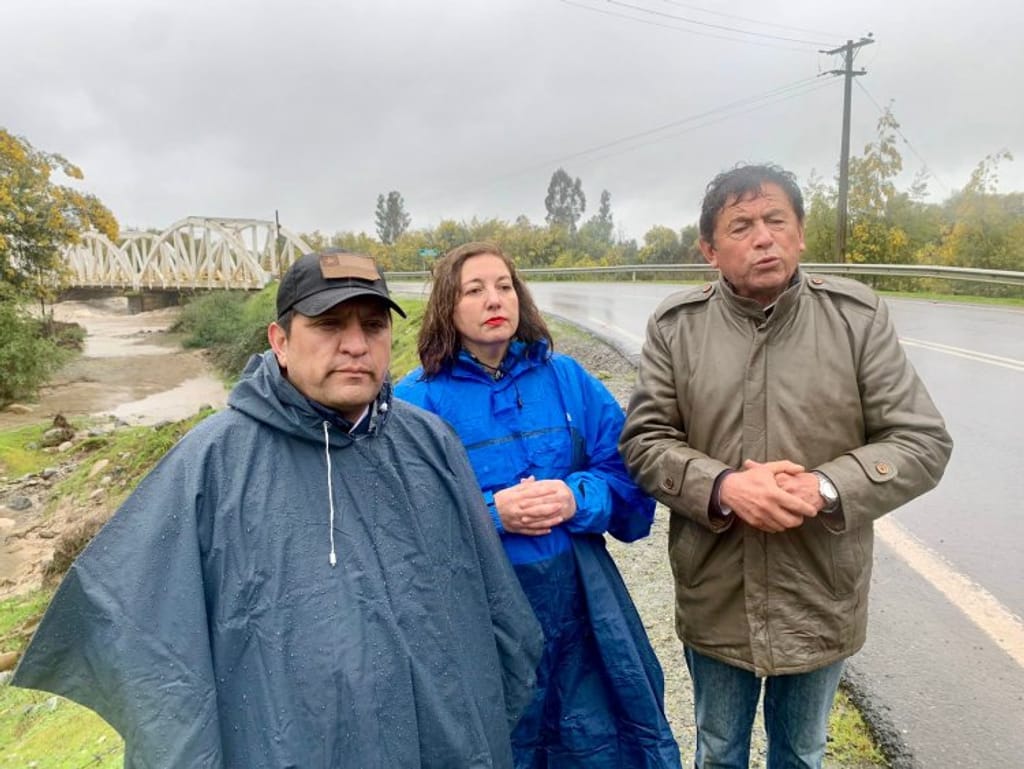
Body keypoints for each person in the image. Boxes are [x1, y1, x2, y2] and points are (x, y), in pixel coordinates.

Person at [13, 249, 545, 769]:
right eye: (330, 325)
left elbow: (499, 615)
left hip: (444, 742)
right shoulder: (212, 464)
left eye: (373, 325)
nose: (356, 344)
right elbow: (148, 652)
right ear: (281, 341)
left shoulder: (430, 444)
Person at [618, 163, 954, 769]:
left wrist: (826, 487)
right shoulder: (677, 328)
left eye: (777, 220)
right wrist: (723, 487)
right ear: (709, 250)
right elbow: (643, 441)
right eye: (741, 225)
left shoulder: (857, 318)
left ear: (800, 233)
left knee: (801, 752)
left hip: (820, 586)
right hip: (716, 586)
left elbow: (921, 440)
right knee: (718, 750)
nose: (763, 237)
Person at [394, 241, 681, 769]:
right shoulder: (417, 401)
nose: (493, 299)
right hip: (482, 613)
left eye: (504, 286)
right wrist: (490, 515)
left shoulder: (565, 378)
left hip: (581, 600)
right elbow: (402, 523)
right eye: (473, 290)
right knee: (502, 739)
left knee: (593, 734)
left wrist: (578, 496)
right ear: (446, 308)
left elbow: (626, 474)